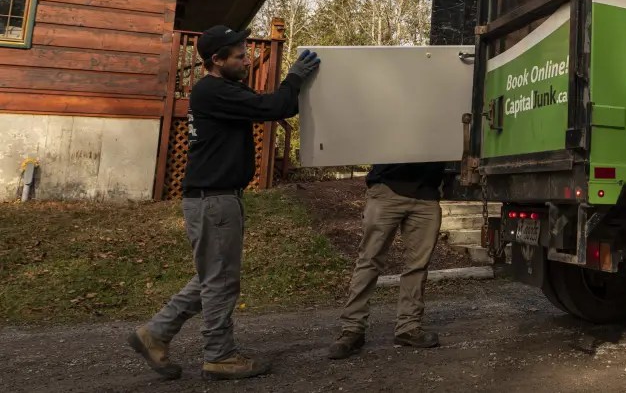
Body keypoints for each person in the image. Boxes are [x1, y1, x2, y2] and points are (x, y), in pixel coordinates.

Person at [127, 26, 321, 380]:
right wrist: (294, 76)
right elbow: (275, 105)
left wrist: (293, 87)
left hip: (215, 199)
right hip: (214, 201)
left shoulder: (222, 90)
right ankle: (219, 355)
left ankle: (155, 334)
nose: (246, 60)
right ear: (216, 60)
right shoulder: (214, 90)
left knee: (213, 276)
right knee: (221, 282)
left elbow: (279, 105)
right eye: (239, 56)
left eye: (245, 53)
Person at [327, 162, 447, 359]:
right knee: (369, 261)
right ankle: (352, 329)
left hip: (427, 195)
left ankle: (408, 327)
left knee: (418, 266)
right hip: (387, 189)